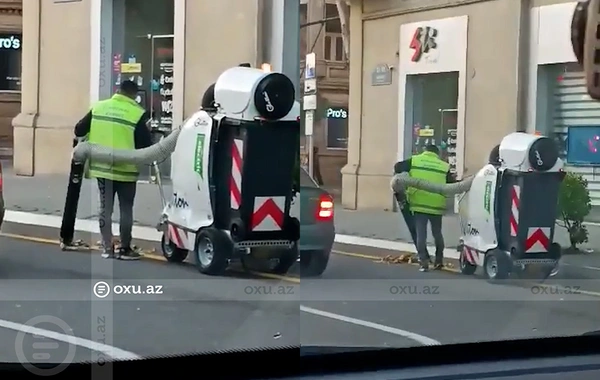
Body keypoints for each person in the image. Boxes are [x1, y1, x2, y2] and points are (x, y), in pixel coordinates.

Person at [74, 80, 153, 260]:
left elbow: (79, 129)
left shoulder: (99, 107)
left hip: (103, 169)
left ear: (118, 91)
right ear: (134, 95)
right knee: (126, 208)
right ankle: (125, 249)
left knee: (105, 208)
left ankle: (106, 247)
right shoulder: (137, 113)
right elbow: (145, 146)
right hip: (126, 170)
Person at [394, 145, 455, 272]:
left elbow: (397, 167)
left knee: (421, 234)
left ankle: (424, 263)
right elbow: (451, 184)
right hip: (436, 205)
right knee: (437, 234)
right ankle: (439, 261)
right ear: (438, 153)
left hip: (418, 203)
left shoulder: (414, 161)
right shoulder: (444, 166)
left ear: (425, 151)